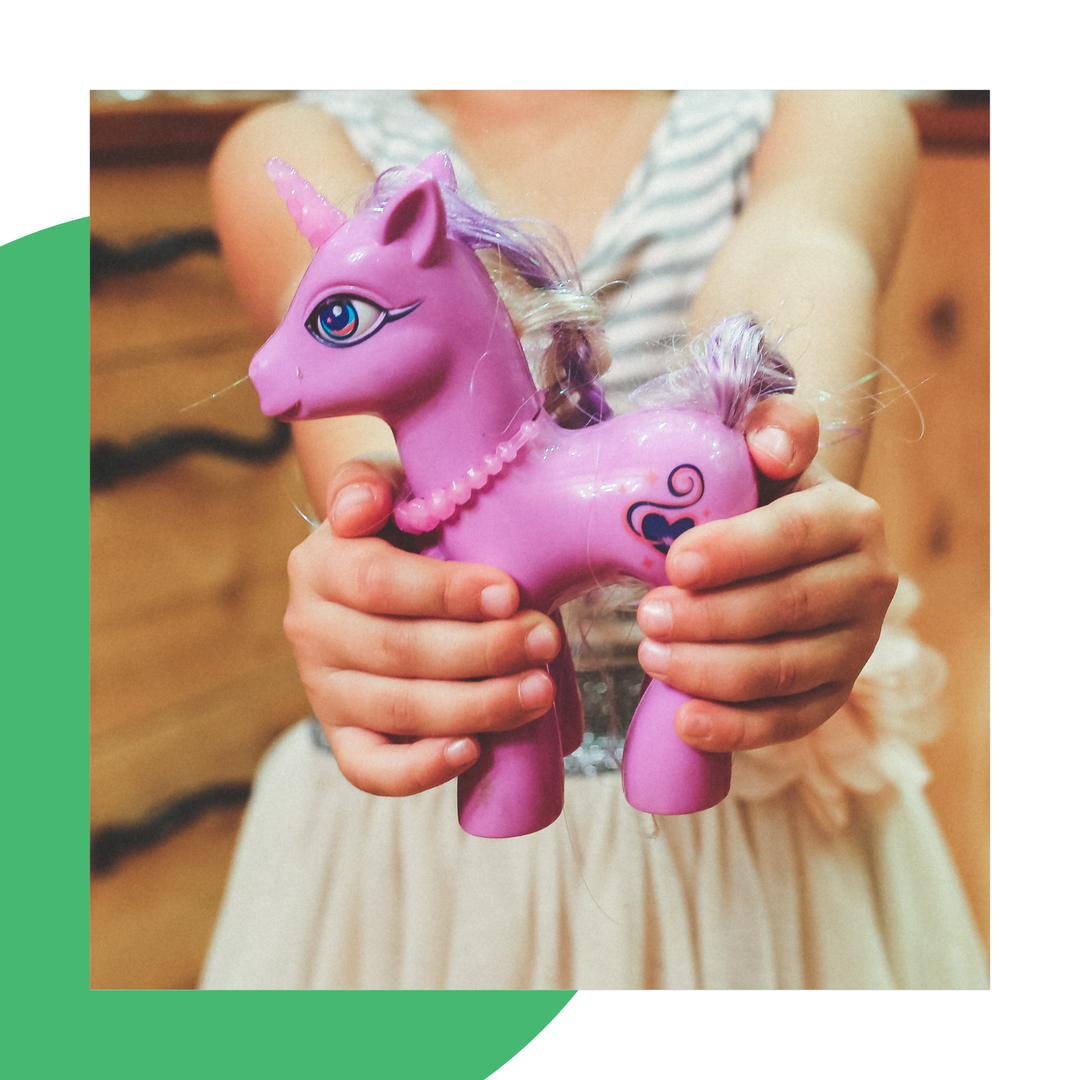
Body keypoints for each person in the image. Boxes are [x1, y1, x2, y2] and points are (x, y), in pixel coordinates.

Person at [199, 91, 988, 989]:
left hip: (755, 823)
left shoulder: (811, 103)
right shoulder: (295, 141)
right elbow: (375, 463)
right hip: (427, 824)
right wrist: (381, 582)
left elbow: (799, 249)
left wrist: (782, 483)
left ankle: (673, 744)